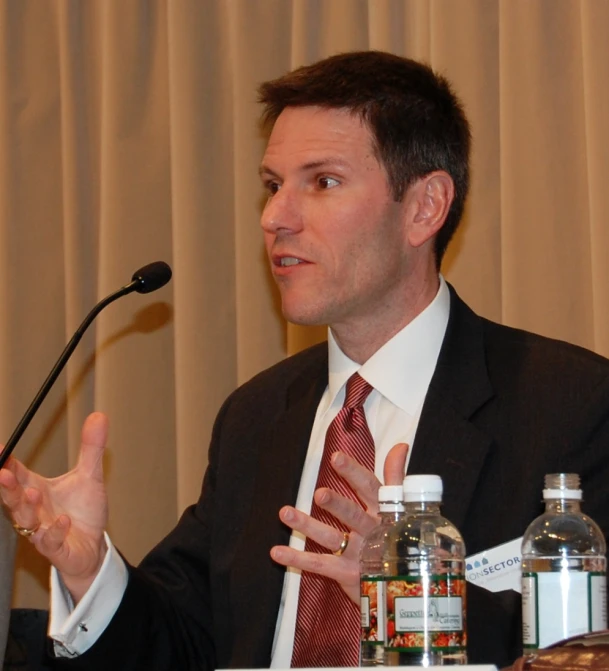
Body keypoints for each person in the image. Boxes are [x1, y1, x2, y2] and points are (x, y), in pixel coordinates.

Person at [2, 50, 609, 670]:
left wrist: (413, 594)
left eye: (322, 182)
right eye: (272, 186)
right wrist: (91, 572)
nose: (274, 218)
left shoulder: (570, 407)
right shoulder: (256, 416)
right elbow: (183, 642)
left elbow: (583, 650)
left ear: (425, 206)